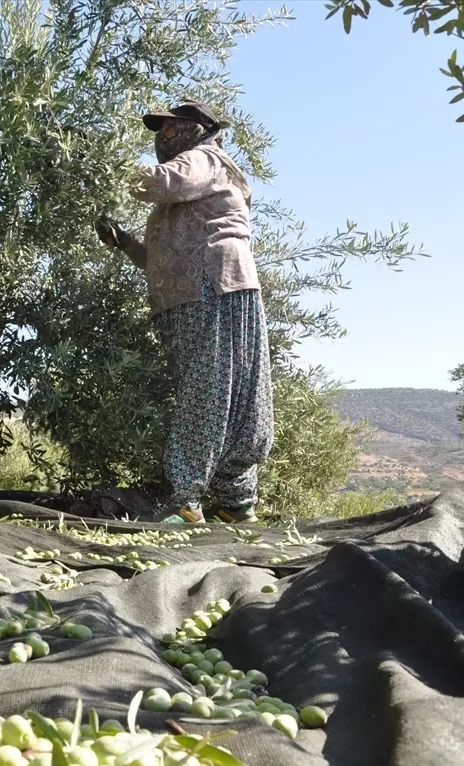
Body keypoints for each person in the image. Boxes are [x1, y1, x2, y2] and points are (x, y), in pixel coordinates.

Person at [97, 99, 274, 524]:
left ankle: (187, 501)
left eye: (173, 129)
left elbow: (162, 181)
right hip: (199, 294)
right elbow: (159, 258)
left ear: (201, 129)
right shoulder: (187, 193)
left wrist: (101, 164)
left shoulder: (205, 159)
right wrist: (123, 241)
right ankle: (235, 503)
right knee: (226, 391)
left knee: (211, 389)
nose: (164, 137)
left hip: (215, 287)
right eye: (162, 131)